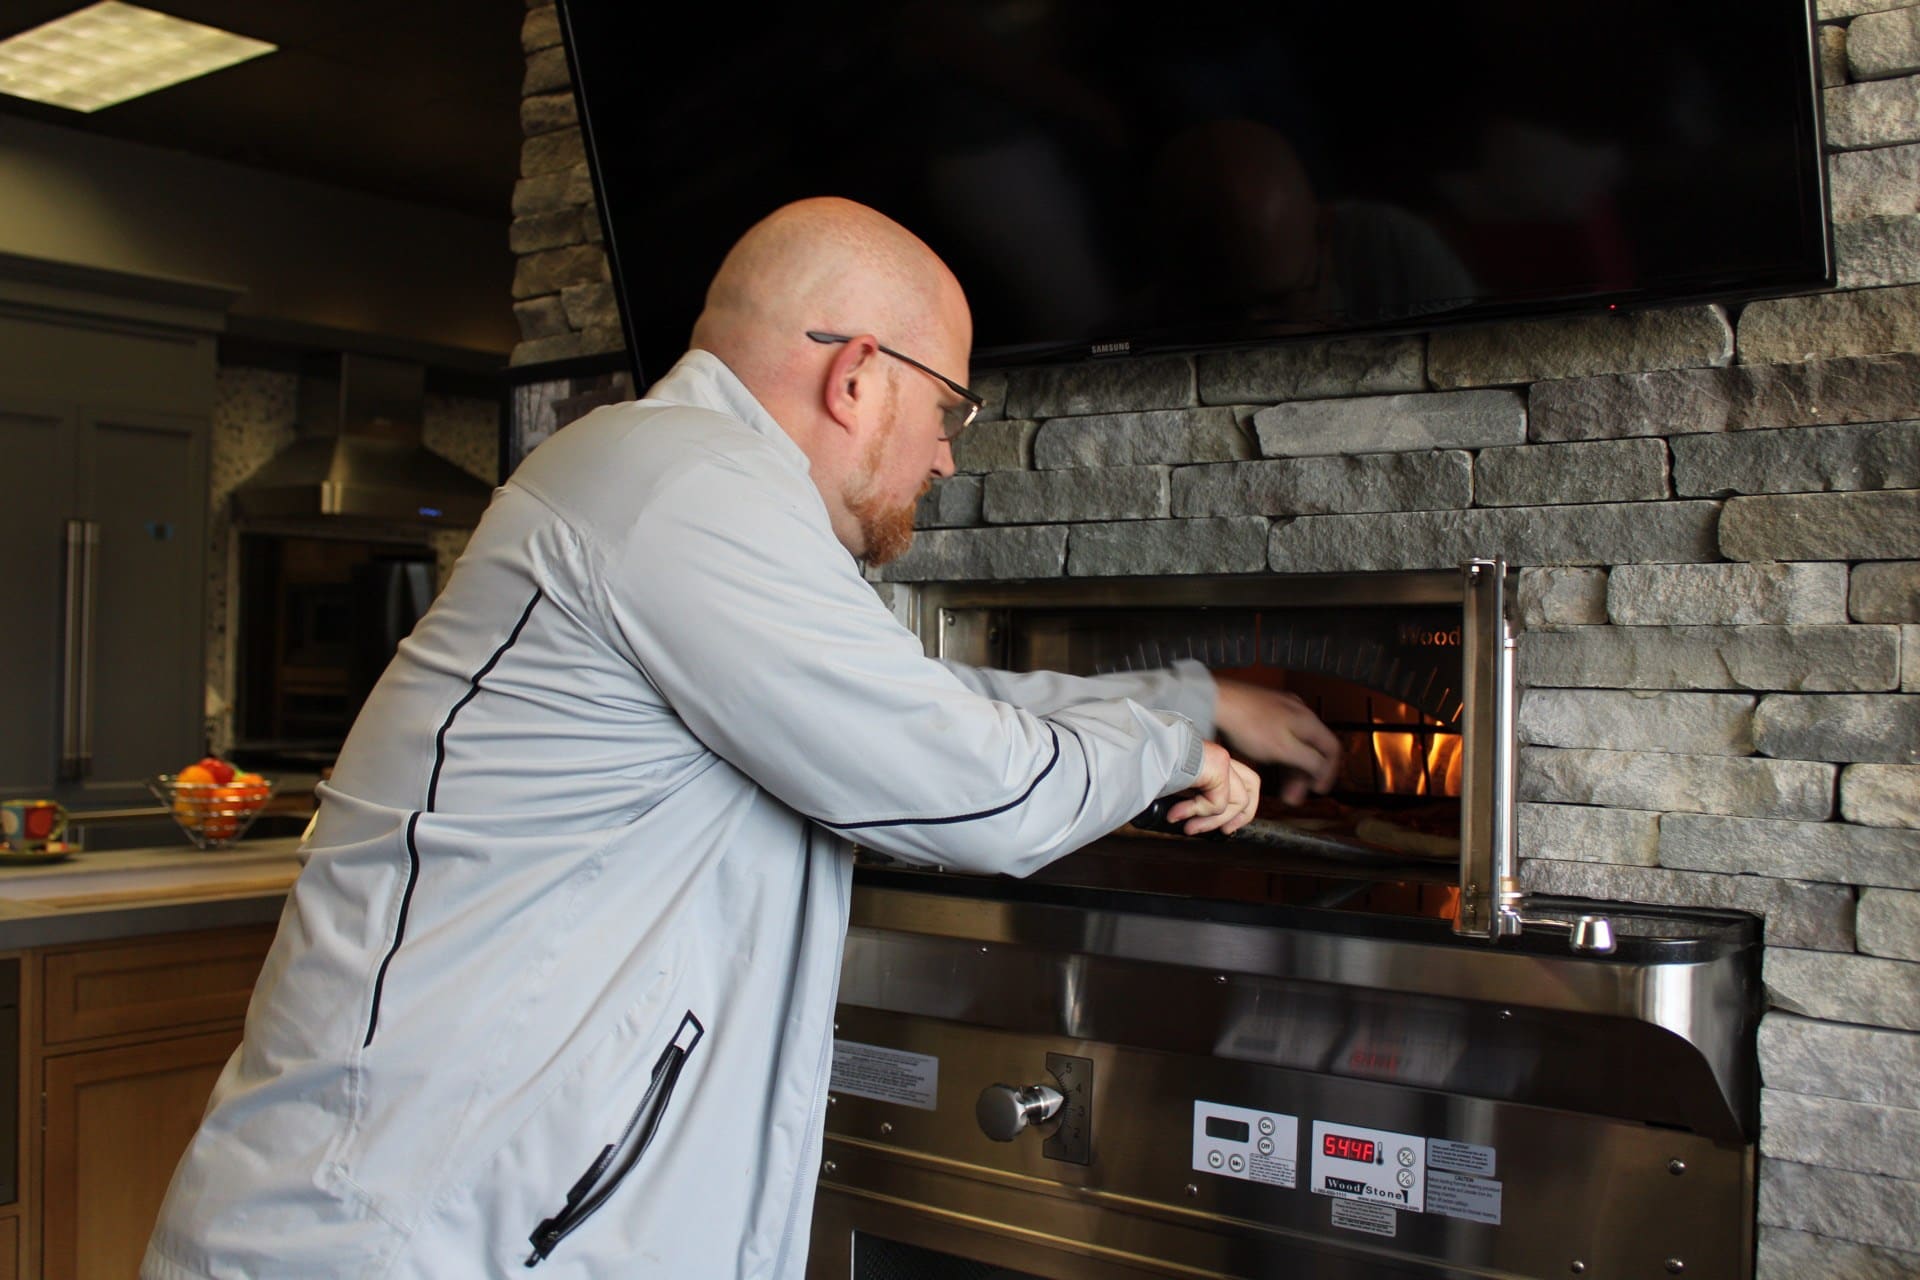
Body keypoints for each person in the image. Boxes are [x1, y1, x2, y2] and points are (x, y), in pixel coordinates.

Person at [142, 197, 1341, 1279]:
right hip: (404, 1237)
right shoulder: (683, 490)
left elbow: (911, 700)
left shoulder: (674, 481)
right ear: (860, 375)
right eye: (948, 408)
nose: (943, 453)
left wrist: (1193, 699)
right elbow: (979, 788)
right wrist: (1172, 750)